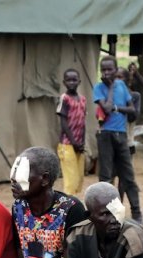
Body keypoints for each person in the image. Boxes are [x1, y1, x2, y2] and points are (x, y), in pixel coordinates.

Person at [93, 56, 141, 221]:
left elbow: (132, 110)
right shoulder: (99, 88)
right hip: (105, 134)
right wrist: (112, 87)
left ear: (115, 70)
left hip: (121, 135)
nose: (106, 73)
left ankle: (136, 212)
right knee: (106, 176)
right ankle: (105, 212)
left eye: (109, 69)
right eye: (103, 70)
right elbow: (105, 109)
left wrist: (116, 107)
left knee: (128, 175)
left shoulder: (122, 85)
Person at [57, 68, 87, 196]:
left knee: (79, 178)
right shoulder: (64, 99)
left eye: (74, 80)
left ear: (79, 81)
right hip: (67, 144)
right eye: (68, 80)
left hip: (78, 144)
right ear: (64, 82)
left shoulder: (83, 99)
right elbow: (63, 123)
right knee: (71, 179)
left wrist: (82, 142)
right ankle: (67, 209)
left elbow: (83, 122)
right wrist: (74, 142)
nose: (71, 83)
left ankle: (73, 206)